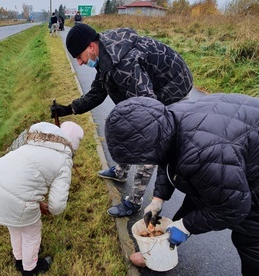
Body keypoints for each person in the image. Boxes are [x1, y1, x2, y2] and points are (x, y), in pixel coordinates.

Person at [105, 93, 259, 276]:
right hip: (257, 147)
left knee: (249, 236)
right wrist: (158, 199)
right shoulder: (168, 121)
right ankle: (160, 249)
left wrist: (185, 226)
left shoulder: (204, 152)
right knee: (201, 196)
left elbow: (233, 207)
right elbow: (168, 162)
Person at [50, 23, 193, 217]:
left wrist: (140, 133)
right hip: (150, 88)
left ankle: (134, 202)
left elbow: (149, 112)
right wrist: (70, 108)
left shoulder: (125, 64)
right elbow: (98, 92)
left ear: (91, 47)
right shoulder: (105, 54)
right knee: (123, 124)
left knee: (147, 143)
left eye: (79, 57)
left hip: (173, 87)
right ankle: (120, 172)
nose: (80, 63)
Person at [0, 121, 84, 276]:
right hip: (14, 198)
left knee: (15, 226)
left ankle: (19, 259)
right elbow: (58, 202)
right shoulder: (63, 159)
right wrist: (51, 210)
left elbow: (23, 180)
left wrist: (38, 202)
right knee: (31, 233)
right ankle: (30, 269)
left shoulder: (32, 144)